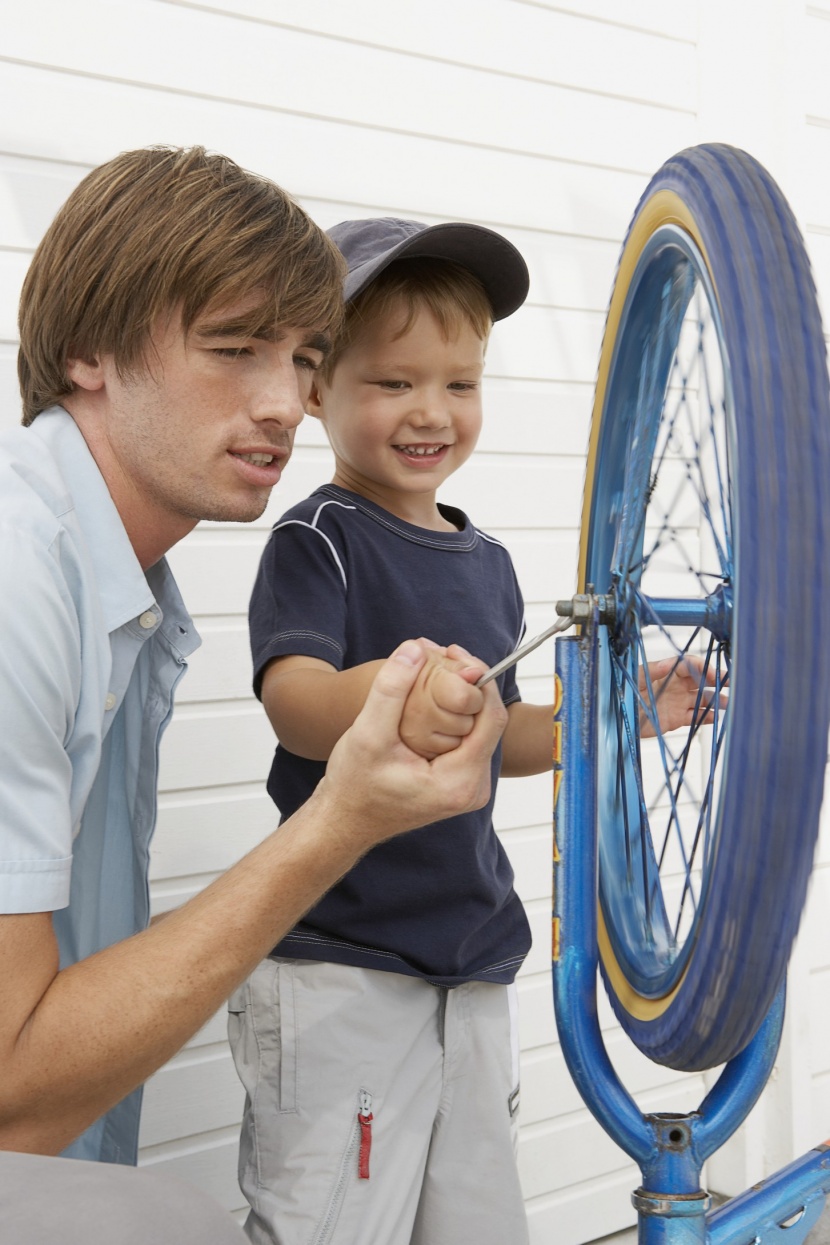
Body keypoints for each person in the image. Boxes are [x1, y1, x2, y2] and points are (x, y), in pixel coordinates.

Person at [0, 154, 508, 1242]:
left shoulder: (120, 590)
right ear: (87, 352)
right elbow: (13, 1094)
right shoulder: (17, 581)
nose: (285, 401)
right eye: (233, 350)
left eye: (306, 357)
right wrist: (343, 818)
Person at [237, 216, 717, 1245]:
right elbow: (295, 699)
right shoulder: (318, 541)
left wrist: (628, 714)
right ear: (316, 388)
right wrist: (390, 698)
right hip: (344, 962)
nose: (430, 412)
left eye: (458, 384)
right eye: (393, 382)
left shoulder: (486, 561)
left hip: (470, 959)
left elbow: (502, 737)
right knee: (331, 1224)